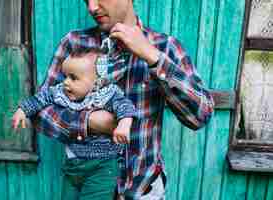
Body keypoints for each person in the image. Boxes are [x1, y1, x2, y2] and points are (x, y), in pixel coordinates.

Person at [33, 0, 215, 199]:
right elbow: (40, 111)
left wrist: (152, 57)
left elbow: (201, 115)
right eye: (87, 0)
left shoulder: (164, 46)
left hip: (142, 191)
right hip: (86, 190)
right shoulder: (74, 43)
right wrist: (88, 122)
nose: (92, 7)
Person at [12, 47, 138, 199]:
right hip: (73, 165)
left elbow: (125, 106)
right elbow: (42, 98)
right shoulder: (61, 92)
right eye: (65, 76)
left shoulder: (107, 96)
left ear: (97, 82)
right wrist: (23, 110)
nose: (65, 82)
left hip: (102, 167)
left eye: (73, 78)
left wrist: (124, 123)